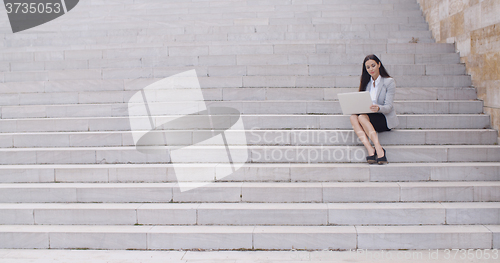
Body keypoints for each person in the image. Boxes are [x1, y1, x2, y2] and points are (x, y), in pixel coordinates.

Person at [350, 54, 399, 165]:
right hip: (369, 115)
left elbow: (388, 107)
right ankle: (370, 149)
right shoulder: (366, 83)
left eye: (373, 65)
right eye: (368, 67)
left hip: (383, 117)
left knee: (362, 117)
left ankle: (379, 148)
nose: (371, 69)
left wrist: (378, 108)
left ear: (379, 65)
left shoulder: (389, 82)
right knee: (353, 117)